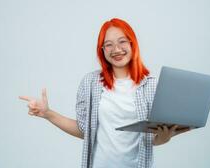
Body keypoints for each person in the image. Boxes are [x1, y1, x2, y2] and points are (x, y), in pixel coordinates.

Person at [19, 18, 191, 168]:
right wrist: (48, 113)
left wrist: (163, 138)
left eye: (122, 41)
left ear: (133, 44)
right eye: (108, 44)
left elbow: (152, 139)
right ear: (102, 50)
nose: (116, 49)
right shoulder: (90, 82)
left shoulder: (151, 85)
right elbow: (84, 131)